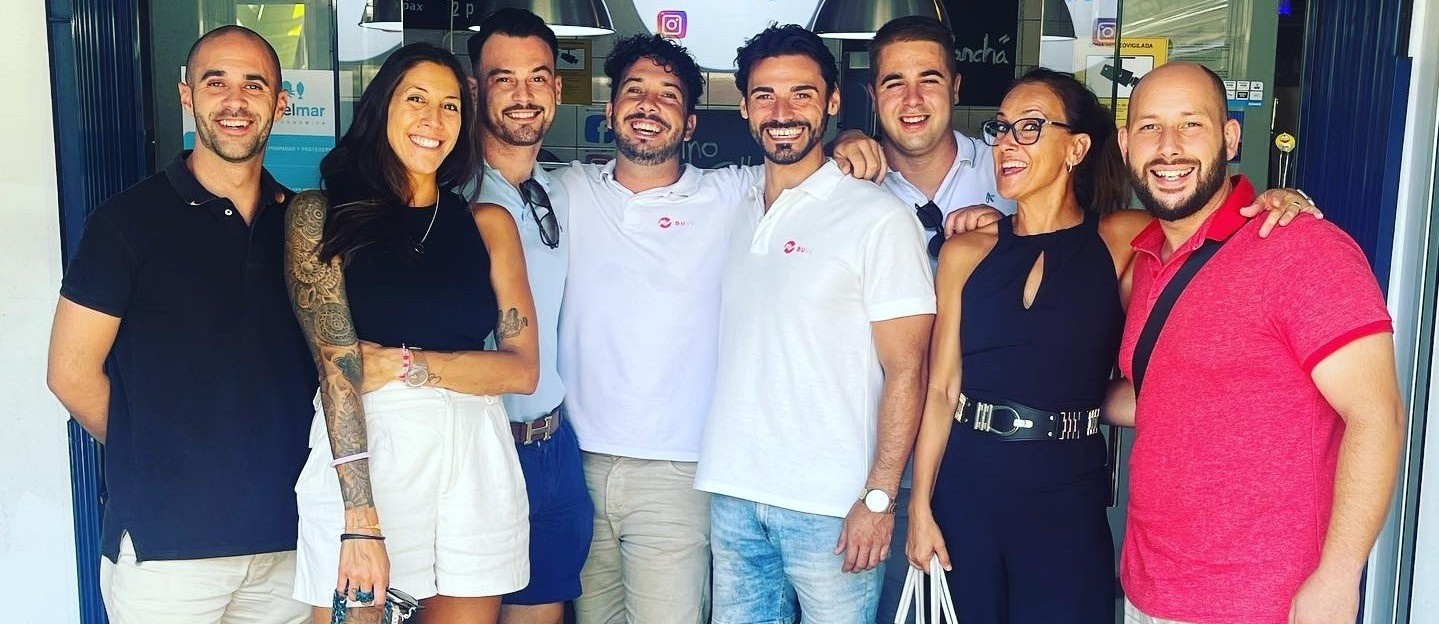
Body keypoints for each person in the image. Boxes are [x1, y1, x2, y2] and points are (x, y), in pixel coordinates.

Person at [1105, 62, 1403, 624]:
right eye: (1149, 127)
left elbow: (1376, 415)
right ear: (1125, 145)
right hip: (1152, 588)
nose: (1169, 147)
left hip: (1265, 599)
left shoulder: (1300, 249)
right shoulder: (1144, 261)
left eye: (1191, 124)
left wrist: (1339, 576)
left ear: (1230, 137)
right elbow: (1163, 397)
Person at [46, 25, 313, 624]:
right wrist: (161, 449)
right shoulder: (126, 223)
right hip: (167, 551)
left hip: (289, 544)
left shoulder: (300, 223)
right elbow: (70, 373)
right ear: (186, 96)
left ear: (280, 104)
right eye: (216, 83)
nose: (236, 101)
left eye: (254, 85)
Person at [284, 42, 537, 624]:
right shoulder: (321, 216)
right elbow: (338, 374)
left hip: (475, 447)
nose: (434, 120)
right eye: (416, 99)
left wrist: (405, 364)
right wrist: (359, 520)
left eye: (450, 106)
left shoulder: (487, 225)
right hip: (368, 450)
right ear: (382, 108)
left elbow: (522, 370)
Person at [695, 25, 935, 624]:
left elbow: (908, 368)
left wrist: (879, 497)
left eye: (801, 94)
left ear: (832, 102)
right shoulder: (734, 205)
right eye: (765, 96)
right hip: (734, 492)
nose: (782, 113)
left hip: (834, 507)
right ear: (744, 107)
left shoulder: (878, 217)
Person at [556, 33, 749, 624]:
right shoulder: (565, 189)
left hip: (678, 471)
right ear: (610, 108)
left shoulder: (732, 194)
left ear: (690, 124)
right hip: (576, 462)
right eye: (634, 90)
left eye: (668, 95)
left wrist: (851, 144)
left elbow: (808, 171)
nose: (648, 104)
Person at [466, 10, 593, 624]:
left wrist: (846, 144)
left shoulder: (560, 190)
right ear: (474, 90)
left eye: (537, 77)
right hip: (476, 445)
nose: (523, 94)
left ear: (557, 89)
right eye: (504, 78)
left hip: (553, 444)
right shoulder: (447, 195)